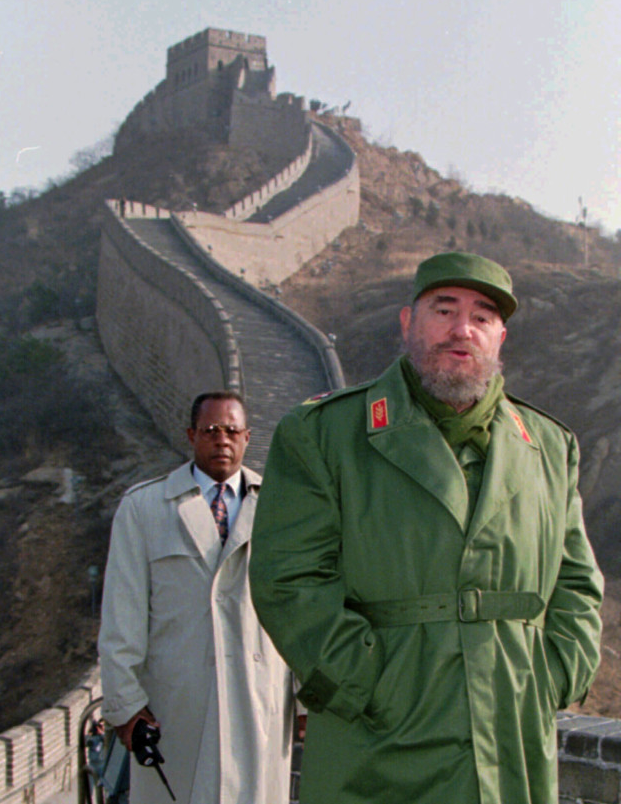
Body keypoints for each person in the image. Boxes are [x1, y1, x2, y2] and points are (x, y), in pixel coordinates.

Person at [249, 252, 603, 804]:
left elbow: (577, 584)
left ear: (500, 337)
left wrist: (553, 676)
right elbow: (287, 579)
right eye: (444, 309)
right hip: (378, 746)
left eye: (482, 316)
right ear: (408, 322)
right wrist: (367, 683)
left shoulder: (549, 448)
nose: (463, 329)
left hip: (513, 738)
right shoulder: (325, 434)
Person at [98, 391, 296, 804]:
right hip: (177, 706)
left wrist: (308, 698)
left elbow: (300, 607)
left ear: (247, 438)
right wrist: (125, 707)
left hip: (259, 698)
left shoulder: (284, 506)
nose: (221, 439)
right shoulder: (145, 509)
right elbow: (121, 617)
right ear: (191, 435)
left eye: (231, 430)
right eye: (210, 430)